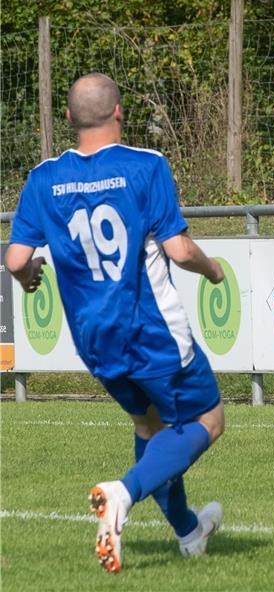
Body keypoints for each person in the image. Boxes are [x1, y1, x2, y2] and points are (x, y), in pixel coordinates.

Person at [6, 73, 226, 572]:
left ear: (68, 118)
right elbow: (178, 249)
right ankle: (122, 493)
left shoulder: (44, 177)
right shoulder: (147, 166)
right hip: (150, 329)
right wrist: (212, 270)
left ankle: (189, 532)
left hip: (92, 338)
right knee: (208, 421)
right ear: (120, 112)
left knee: (149, 426)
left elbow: (18, 260)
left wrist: (31, 278)